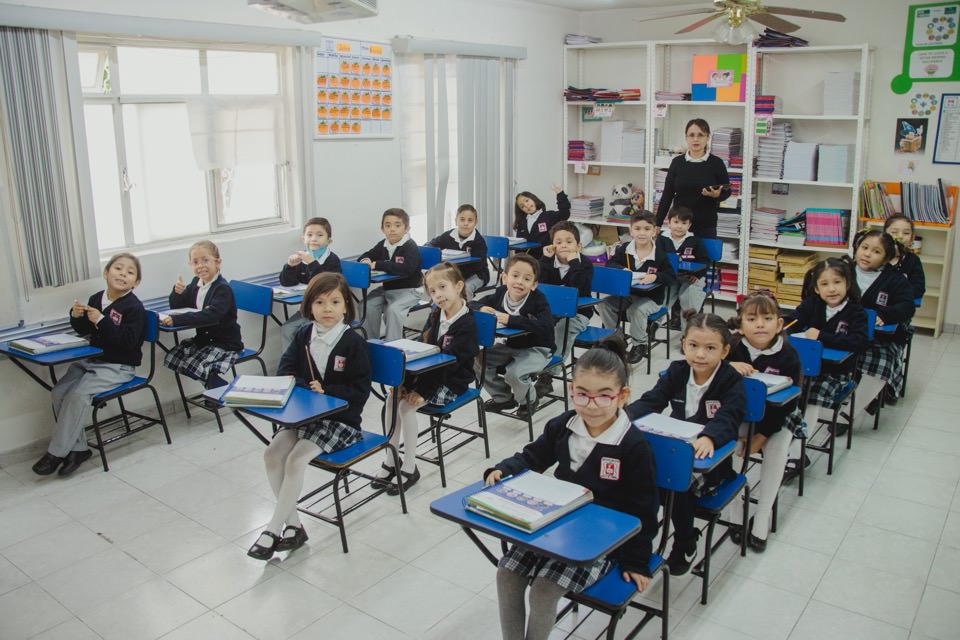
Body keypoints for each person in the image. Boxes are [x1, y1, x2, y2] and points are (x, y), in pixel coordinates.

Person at [487, 335, 658, 640]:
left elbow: (643, 509)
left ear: (623, 396)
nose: (591, 406)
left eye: (604, 396)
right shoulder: (563, 425)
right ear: (571, 391)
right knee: (507, 574)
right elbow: (533, 456)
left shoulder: (633, 445)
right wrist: (505, 469)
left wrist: (636, 560)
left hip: (602, 541)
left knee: (543, 590)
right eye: (582, 395)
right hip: (556, 524)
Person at [248, 272, 371, 560]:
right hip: (304, 416)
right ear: (309, 306)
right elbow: (286, 371)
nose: (327, 309)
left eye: (335, 302)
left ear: (346, 307)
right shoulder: (304, 333)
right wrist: (310, 390)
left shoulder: (353, 342)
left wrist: (327, 390)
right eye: (319, 302)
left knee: (295, 460)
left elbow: (360, 391)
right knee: (271, 454)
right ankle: (294, 525)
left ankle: (273, 528)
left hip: (342, 421)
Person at [627, 311, 745, 576]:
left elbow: (730, 417)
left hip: (711, 464)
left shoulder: (730, 380)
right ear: (684, 345)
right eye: (693, 346)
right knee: (637, 478)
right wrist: (622, 418)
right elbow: (652, 400)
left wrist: (709, 436)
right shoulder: (677, 371)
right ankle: (636, 542)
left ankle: (685, 540)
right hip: (674, 450)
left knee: (674, 484)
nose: (700, 354)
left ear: (725, 351)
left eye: (710, 348)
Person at [32, 253, 146, 477]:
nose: (123, 274)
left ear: (136, 282)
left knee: (78, 396)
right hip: (92, 361)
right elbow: (84, 330)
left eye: (130, 272)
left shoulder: (134, 307)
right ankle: (79, 449)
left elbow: (128, 342)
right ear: (106, 273)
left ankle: (56, 453)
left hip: (118, 366)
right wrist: (75, 316)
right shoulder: (97, 298)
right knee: (59, 392)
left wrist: (102, 321)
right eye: (118, 269)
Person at [373, 263, 479, 495]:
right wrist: (404, 384)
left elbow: (449, 365)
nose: (438, 295)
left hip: (453, 381)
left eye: (442, 287)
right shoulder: (434, 315)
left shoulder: (467, 324)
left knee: (407, 408)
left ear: (459, 286)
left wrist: (423, 392)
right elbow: (423, 351)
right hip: (430, 375)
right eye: (432, 291)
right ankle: (391, 460)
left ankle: (410, 467)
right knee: (391, 402)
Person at [725, 291, 802, 552]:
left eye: (767, 318)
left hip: (778, 419)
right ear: (741, 325)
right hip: (741, 415)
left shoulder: (788, 355)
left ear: (779, 324)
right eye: (752, 318)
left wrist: (762, 436)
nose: (760, 324)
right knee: (732, 446)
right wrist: (728, 366)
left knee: (777, 449)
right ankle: (736, 511)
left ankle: (763, 513)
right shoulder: (732, 348)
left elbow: (788, 404)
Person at [785, 256, 868, 444]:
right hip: (805, 369)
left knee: (811, 397)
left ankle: (799, 453)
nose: (831, 289)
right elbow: (793, 320)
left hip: (837, 373)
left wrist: (821, 336)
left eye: (837, 282)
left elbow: (859, 342)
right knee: (788, 394)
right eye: (824, 284)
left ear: (848, 284)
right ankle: (784, 439)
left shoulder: (856, 312)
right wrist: (781, 327)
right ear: (816, 288)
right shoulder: (812, 304)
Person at [470, 254, 554, 419]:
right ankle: (503, 397)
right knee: (478, 360)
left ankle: (529, 401)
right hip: (510, 346)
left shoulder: (538, 300)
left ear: (534, 284)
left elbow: (545, 326)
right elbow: (472, 303)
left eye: (527, 279)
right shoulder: (501, 293)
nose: (519, 282)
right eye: (515, 276)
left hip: (537, 348)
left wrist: (511, 320)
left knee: (514, 373)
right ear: (504, 277)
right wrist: (481, 308)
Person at [161, 240, 243, 390]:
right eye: (195, 262)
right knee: (173, 357)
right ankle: (214, 383)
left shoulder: (222, 289)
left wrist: (176, 320)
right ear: (190, 265)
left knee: (195, 364)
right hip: (204, 341)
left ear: (218, 262)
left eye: (205, 260)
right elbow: (178, 306)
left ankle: (218, 389)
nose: (200, 266)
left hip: (225, 343)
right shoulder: (196, 284)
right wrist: (177, 293)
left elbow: (210, 316)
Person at [599, 210, 676, 364]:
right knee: (603, 304)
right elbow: (610, 263)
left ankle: (639, 344)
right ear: (631, 230)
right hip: (628, 295)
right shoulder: (625, 249)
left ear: (654, 231)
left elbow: (671, 277)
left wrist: (655, 276)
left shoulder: (660, 254)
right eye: (637, 228)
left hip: (652, 299)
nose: (642, 233)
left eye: (647, 229)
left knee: (636, 310)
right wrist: (622, 270)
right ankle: (617, 337)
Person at [851, 230, 915, 413]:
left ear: (887, 258)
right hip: (842, 333)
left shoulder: (894, 279)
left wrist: (886, 315)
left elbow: (907, 306)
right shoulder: (842, 269)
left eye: (876, 251)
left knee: (882, 361)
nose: (867, 254)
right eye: (864, 247)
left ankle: (848, 415)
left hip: (878, 339)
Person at [535, 221, 594, 397]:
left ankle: (547, 376)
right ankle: (533, 365)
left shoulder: (585, 265)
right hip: (550, 312)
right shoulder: (546, 263)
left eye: (569, 242)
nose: (563, 246)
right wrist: (545, 259)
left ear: (579, 245)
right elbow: (539, 286)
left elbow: (579, 289)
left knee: (561, 329)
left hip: (578, 313)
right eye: (558, 242)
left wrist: (574, 262)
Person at [655, 118, 731, 238]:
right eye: (691, 135)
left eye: (700, 135)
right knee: (677, 257)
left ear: (708, 137)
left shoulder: (717, 163)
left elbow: (727, 192)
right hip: (680, 225)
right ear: (686, 138)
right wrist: (657, 223)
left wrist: (716, 195)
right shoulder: (677, 163)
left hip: (706, 225)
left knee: (704, 256)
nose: (696, 139)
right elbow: (667, 195)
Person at [358, 208, 422, 341]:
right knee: (366, 305)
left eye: (397, 225)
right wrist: (366, 260)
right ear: (382, 228)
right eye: (388, 225)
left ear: (407, 228)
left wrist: (378, 264)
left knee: (392, 311)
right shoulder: (383, 244)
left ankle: (393, 346)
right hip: (387, 289)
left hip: (409, 290)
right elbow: (368, 254)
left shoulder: (410, 246)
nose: (392, 229)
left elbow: (407, 268)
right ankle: (371, 343)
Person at [279, 217, 342, 352]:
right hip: (308, 311)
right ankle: (290, 367)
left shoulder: (332, 260)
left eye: (319, 235)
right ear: (303, 239)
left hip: (327, 311)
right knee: (287, 329)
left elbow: (326, 285)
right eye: (309, 235)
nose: (313, 239)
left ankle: (309, 366)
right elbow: (286, 283)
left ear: (329, 241)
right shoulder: (302, 258)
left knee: (306, 332)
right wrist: (290, 266)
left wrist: (313, 263)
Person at [657, 205, 709, 330]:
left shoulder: (694, 240)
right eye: (675, 222)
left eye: (684, 223)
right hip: (670, 278)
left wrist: (697, 275)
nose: (679, 226)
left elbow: (704, 261)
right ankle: (653, 326)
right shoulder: (662, 239)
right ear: (669, 223)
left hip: (692, 277)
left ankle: (689, 334)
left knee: (688, 296)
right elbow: (656, 260)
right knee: (660, 298)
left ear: (689, 225)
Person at [426, 204, 489, 299]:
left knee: (465, 288)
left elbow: (476, 266)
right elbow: (431, 244)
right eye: (462, 219)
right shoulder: (449, 235)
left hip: (477, 275)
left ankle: (465, 312)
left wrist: (453, 278)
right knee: (438, 285)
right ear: (456, 221)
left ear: (476, 222)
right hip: (453, 274)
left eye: (470, 220)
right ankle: (443, 311)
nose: (466, 223)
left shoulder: (479, 241)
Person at [512, 185, 570, 259]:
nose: (526, 205)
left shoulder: (548, 216)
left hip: (545, 259)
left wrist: (560, 195)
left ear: (533, 199)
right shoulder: (522, 223)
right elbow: (519, 246)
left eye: (527, 200)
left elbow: (564, 214)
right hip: (527, 260)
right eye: (522, 206)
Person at [884, 214, 925, 301]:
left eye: (906, 233)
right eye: (894, 232)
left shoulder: (913, 260)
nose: (900, 236)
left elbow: (919, 288)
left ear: (912, 238)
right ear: (884, 235)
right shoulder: (878, 256)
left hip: (899, 304)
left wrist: (899, 293)